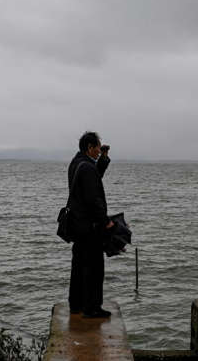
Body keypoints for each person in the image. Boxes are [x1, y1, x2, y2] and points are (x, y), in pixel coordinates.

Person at [67, 131, 114, 318]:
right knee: (94, 267)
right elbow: (93, 198)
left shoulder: (76, 163)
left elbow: (93, 179)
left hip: (77, 226)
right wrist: (106, 221)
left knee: (78, 266)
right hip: (89, 227)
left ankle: (76, 304)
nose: (98, 151)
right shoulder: (86, 168)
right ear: (89, 147)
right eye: (97, 148)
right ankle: (92, 307)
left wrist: (103, 160)